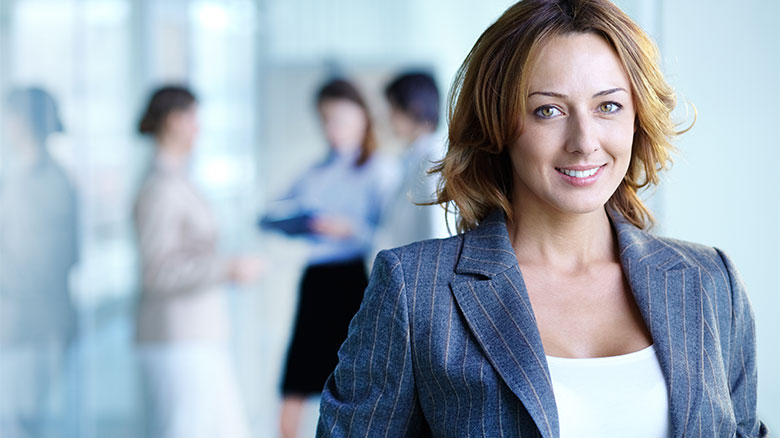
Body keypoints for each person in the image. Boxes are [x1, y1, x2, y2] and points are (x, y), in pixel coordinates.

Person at [317, 1, 768, 437]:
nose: (584, 141)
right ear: (497, 125)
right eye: (547, 110)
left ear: (638, 117)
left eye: (608, 105)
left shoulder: (711, 281)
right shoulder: (414, 291)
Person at [263, 78, 395, 438]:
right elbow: (271, 214)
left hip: (357, 282)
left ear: (362, 119)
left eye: (338, 118)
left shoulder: (380, 171)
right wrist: (301, 224)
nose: (331, 129)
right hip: (316, 279)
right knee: (295, 381)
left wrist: (347, 229)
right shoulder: (315, 172)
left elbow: (392, 237)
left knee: (353, 384)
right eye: (324, 120)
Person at [133, 86, 263, 438]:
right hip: (177, 337)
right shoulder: (159, 187)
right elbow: (157, 271)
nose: (199, 128)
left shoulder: (178, 180)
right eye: (194, 118)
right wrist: (226, 268)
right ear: (174, 121)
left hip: (200, 335)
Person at [0, 87, 79, 437]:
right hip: (26, 325)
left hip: (33, 327)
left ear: (21, 122)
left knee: (21, 420)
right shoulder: (21, 177)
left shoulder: (46, 182)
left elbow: (42, 264)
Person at [372, 71, 448, 254]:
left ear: (414, 107)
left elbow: (435, 231)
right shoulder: (412, 159)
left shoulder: (433, 159)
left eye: (393, 109)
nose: (388, 119)